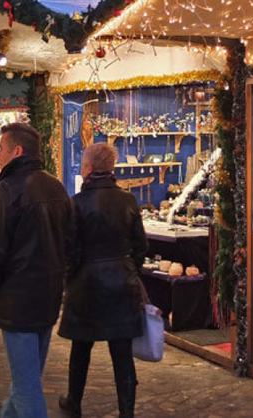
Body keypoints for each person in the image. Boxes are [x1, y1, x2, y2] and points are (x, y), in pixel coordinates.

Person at [0, 123, 72, 418]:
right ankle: (7, 414)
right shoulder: (55, 187)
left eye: (1, 149)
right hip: (47, 296)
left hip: (17, 299)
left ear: (17, 151)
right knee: (28, 375)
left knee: (27, 384)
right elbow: (70, 241)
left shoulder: (7, 191)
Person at [57, 143, 147, 418]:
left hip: (86, 285)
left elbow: (70, 249)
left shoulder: (77, 203)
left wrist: (71, 279)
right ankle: (127, 412)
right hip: (121, 283)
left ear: (88, 168)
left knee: (81, 347)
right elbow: (141, 246)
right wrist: (129, 270)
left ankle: (74, 402)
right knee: (122, 353)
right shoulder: (128, 200)